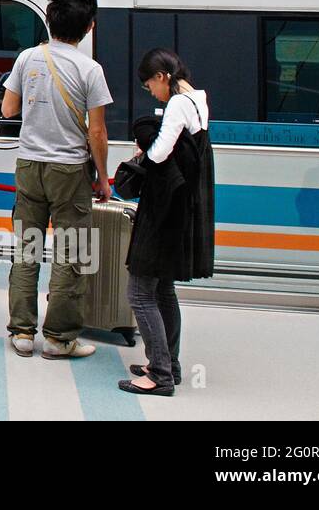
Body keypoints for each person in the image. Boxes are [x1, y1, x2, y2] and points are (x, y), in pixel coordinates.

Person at [0, 0, 113, 359]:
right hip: (69, 170)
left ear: (49, 21)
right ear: (89, 27)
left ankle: (22, 332)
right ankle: (59, 338)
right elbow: (97, 132)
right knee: (71, 252)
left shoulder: (27, 58)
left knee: (27, 248)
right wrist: (103, 177)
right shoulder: (90, 69)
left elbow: (7, 110)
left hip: (29, 165)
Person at [119, 48, 215, 397]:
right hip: (183, 208)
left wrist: (142, 150)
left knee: (139, 291)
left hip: (164, 211)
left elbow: (160, 153)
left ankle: (159, 374)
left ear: (162, 76)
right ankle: (168, 363)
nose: (152, 94)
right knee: (163, 289)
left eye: (149, 86)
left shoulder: (176, 104)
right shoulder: (199, 101)